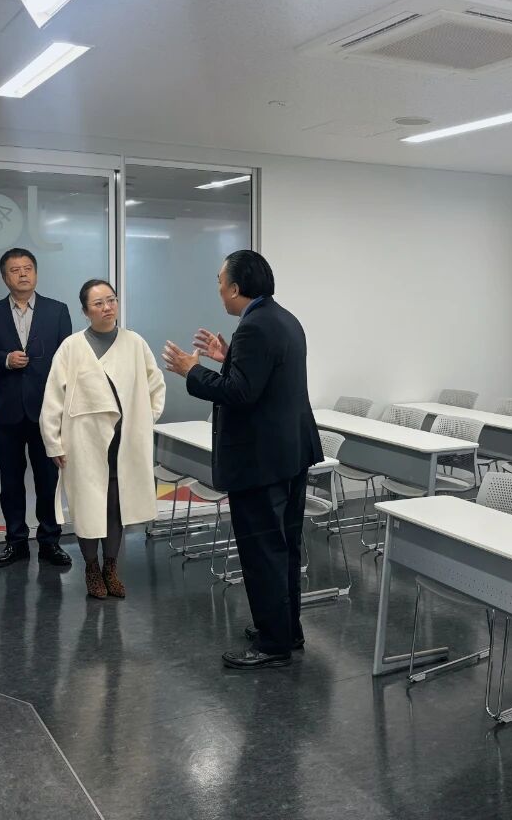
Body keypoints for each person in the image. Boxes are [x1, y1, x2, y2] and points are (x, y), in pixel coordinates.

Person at [162, 250, 322, 670]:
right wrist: (229, 355)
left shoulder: (255, 326)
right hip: (290, 454)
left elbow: (239, 393)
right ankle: (286, 629)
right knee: (283, 547)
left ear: (235, 288)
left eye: (220, 282)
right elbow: (261, 377)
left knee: (263, 551)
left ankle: (273, 645)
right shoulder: (282, 318)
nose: (218, 289)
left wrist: (191, 370)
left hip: (261, 461)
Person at [41, 280, 165, 600]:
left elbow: (156, 385)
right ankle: (91, 568)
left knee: (114, 508)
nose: (107, 307)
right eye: (98, 303)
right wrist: (53, 443)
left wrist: (143, 421)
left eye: (111, 300)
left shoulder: (134, 343)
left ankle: (111, 567)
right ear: (85, 311)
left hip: (123, 443)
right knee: (86, 508)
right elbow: (53, 398)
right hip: (82, 443)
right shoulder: (71, 347)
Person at [0, 248, 73, 569]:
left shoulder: (57, 311)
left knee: (47, 480)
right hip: (8, 412)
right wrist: (4, 360)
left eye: (28, 268)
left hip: (47, 412)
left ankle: (50, 542)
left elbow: (69, 360)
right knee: (10, 481)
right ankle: (16, 542)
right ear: (4, 277)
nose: (23, 274)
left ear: (36, 273)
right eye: (15, 270)